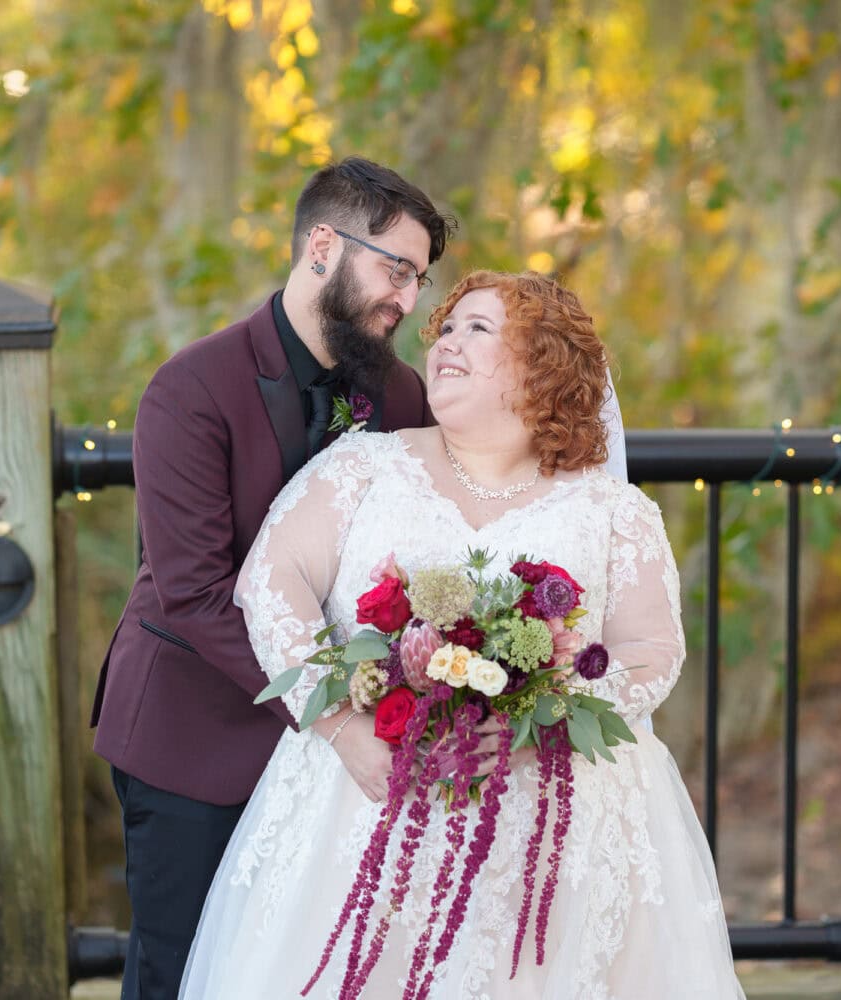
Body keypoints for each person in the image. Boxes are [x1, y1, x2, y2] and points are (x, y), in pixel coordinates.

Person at [181, 271, 745, 998]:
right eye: (447, 328)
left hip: (554, 837)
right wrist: (344, 722)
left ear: (544, 363)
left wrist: (538, 715)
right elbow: (270, 581)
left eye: (478, 329)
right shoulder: (364, 467)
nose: (446, 342)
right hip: (364, 801)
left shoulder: (611, 510)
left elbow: (651, 653)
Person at [90, 157, 456, 1000]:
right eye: (394, 269)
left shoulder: (402, 398)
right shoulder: (190, 390)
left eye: (420, 279)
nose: (407, 300)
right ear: (322, 245)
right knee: (182, 978)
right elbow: (193, 596)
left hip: (334, 762)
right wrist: (335, 708)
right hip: (192, 741)